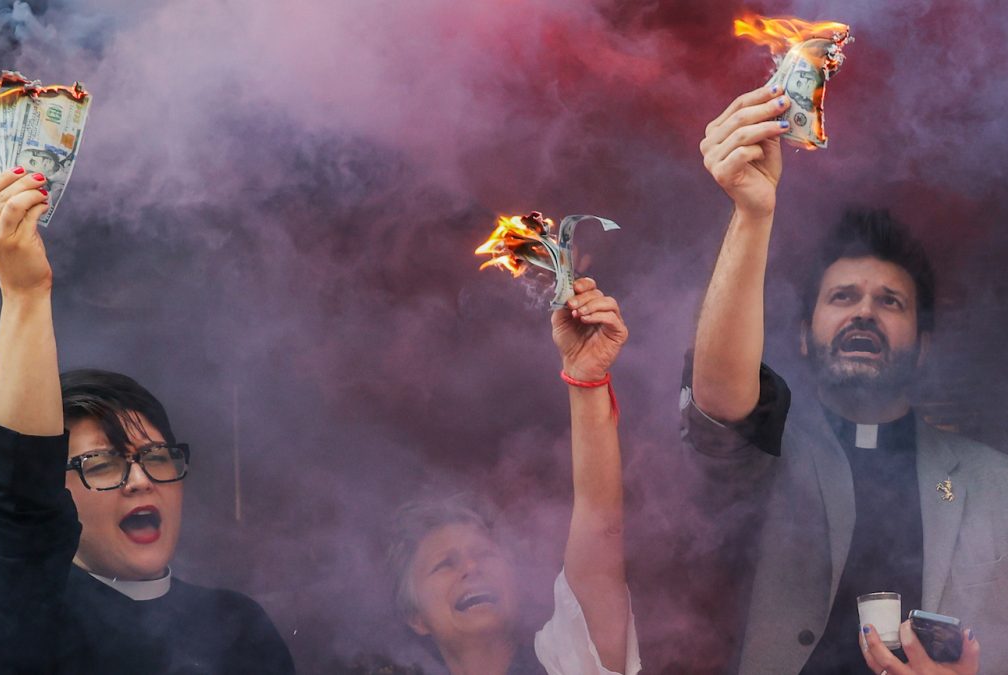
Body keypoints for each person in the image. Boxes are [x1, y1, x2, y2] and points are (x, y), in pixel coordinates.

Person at [687, 83, 1008, 674]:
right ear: (805, 336)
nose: (864, 312)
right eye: (842, 297)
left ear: (924, 346)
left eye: (891, 302)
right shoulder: (770, 449)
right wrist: (753, 213)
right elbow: (718, 401)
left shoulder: (995, 482)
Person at [0, 167, 296, 674]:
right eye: (102, 464)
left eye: (156, 457)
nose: (140, 481)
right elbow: (20, 510)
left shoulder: (237, 624)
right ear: (55, 494)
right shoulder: (31, 616)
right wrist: (25, 294)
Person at [386, 278, 641, 675]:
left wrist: (587, 378)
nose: (473, 569)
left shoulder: (568, 661)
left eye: (485, 554)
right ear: (415, 617)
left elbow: (599, 523)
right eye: (445, 565)